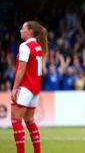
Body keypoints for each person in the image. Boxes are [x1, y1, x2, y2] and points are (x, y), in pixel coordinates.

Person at [11, 21, 48, 153]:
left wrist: (15, 88)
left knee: (16, 120)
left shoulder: (25, 46)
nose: (20, 30)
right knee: (29, 121)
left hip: (25, 87)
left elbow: (21, 69)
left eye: (23, 28)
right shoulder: (38, 46)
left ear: (30, 31)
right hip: (35, 90)